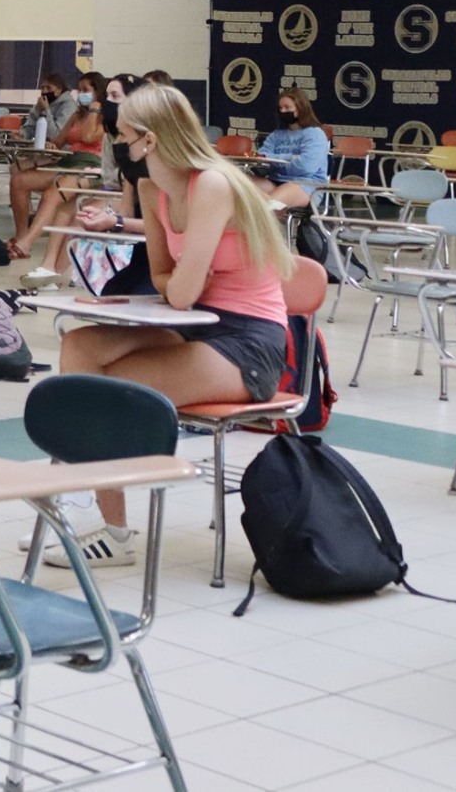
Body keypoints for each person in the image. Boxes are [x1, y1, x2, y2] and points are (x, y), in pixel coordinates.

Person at [58, 82, 294, 565]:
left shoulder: (211, 183)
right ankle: (85, 503)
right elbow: (168, 279)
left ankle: (113, 534)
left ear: (151, 138)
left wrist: (180, 283)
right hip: (196, 325)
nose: (117, 144)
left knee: (107, 391)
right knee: (80, 348)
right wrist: (178, 282)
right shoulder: (153, 189)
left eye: (124, 135)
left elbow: (183, 291)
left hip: (248, 340)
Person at [22, 74, 140, 286]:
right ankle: (49, 266)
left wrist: (96, 109)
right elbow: (108, 171)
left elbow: (89, 140)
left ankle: (53, 273)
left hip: (125, 194)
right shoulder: (114, 132)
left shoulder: (130, 132)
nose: (109, 101)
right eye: (109, 95)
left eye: (115, 96)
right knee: (66, 207)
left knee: (82, 214)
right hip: (107, 183)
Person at [7, 71, 105, 257]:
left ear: (98, 92)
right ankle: (21, 234)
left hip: (92, 165)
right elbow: (60, 140)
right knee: (19, 180)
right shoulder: (77, 115)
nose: (81, 93)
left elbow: (88, 136)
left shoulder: (106, 117)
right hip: (70, 160)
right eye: (80, 89)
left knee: (54, 192)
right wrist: (52, 144)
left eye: (86, 90)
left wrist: (94, 110)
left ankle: (26, 244)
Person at [253, 87, 328, 211]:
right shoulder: (276, 135)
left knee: (266, 207)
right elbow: (262, 160)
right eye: (280, 108)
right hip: (274, 180)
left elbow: (305, 167)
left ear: (300, 108)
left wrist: (274, 162)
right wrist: (291, 159)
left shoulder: (315, 134)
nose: (283, 111)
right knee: (238, 185)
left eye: (287, 108)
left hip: (306, 184)